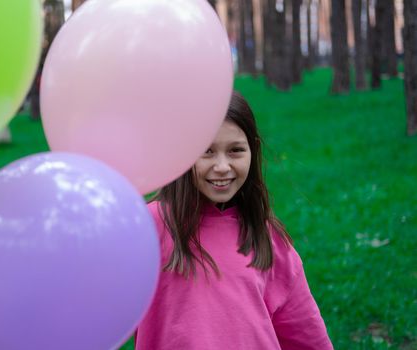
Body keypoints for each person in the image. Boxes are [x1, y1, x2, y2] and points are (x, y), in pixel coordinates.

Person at [135, 91, 333, 350]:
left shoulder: (268, 239)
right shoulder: (145, 228)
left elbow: (306, 335)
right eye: (206, 151)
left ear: (253, 150)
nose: (222, 166)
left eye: (235, 150)